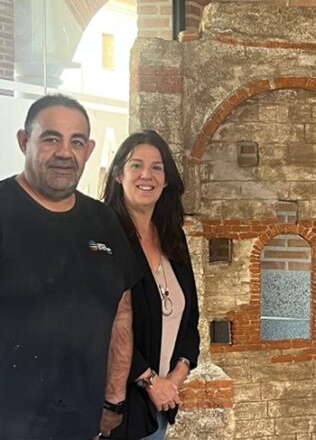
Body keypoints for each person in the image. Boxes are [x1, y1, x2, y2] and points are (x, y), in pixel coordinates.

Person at [0, 94, 139, 439]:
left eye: (76, 142)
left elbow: (121, 312)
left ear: (89, 150)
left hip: (82, 423)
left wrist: (113, 401)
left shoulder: (103, 221)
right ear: (23, 141)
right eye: (51, 139)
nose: (65, 152)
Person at [103, 130, 199, 440]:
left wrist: (174, 379)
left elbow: (190, 320)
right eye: (136, 165)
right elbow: (101, 324)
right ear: (119, 174)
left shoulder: (173, 237)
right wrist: (150, 381)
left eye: (157, 167)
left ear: (167, 179)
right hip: (115, 407)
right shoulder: (104, 236)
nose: (147, 175)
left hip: (160, 405)